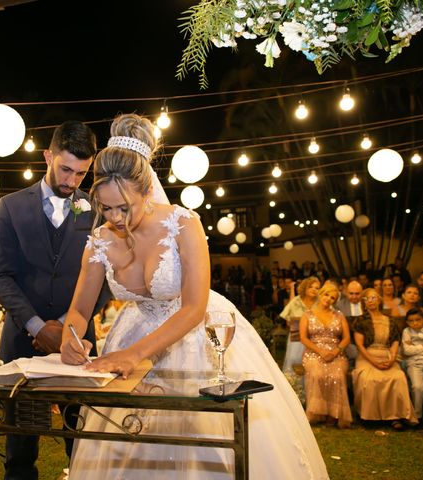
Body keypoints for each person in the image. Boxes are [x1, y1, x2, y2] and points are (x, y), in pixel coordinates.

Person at [60, 113, 328, 479]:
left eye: (124, 208)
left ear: (145, 190)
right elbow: (78, 308)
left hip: (199, 336)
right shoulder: (100, 240)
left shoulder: (183, 223)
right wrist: (69, 337)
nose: (115, 218)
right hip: (133, 333)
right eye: (105, 208)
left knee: (204, 440)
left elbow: (194, 307)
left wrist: (134, 355)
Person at [0, 120, 110, 480]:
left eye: (81, 174)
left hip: (78, 346)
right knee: (21, 451)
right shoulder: (10, 207)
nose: (72, 182)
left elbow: (104, 279)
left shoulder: (98, 210)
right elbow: (1, 277)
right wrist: (39, 327)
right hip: (22, 345)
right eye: (65, 169)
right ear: (48, 156)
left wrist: (68, 324)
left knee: (83, 442)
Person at [352, 288, 417, 430]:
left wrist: (392, 357)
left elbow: (395, 341)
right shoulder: (361, 321)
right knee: (369, 379)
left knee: (397, 377)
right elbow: (359, 345)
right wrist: (373, 361)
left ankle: (395, 416)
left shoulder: (390, 320)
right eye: (367, 299)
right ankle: (370, 417)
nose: (370, 301)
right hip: (367, 356)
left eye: (373, 297)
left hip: (387, 355)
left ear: (379, 300)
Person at [299, 283, 352, 428]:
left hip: (336, 353)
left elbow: (347, 338)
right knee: (318, 374)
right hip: (313, 352)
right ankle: (318, 413)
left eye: (332, 298)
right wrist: (320, 351)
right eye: (326, 295)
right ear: (320, 294)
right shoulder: (307, 315)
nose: (328, 299)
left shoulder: (339, 316)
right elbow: (303, 338)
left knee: (337, 375)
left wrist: (335, 351)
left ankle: (334, 414)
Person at [280, 276, 320, 378]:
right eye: (311, 287)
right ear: (305, 288)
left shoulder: (321, 302)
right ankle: (295, 389)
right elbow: (286, 318)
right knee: (294, 361)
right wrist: (291, 322)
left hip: (316, 339)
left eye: (317, 288)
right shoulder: (296, 301)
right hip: (297, 337)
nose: (314, 290)